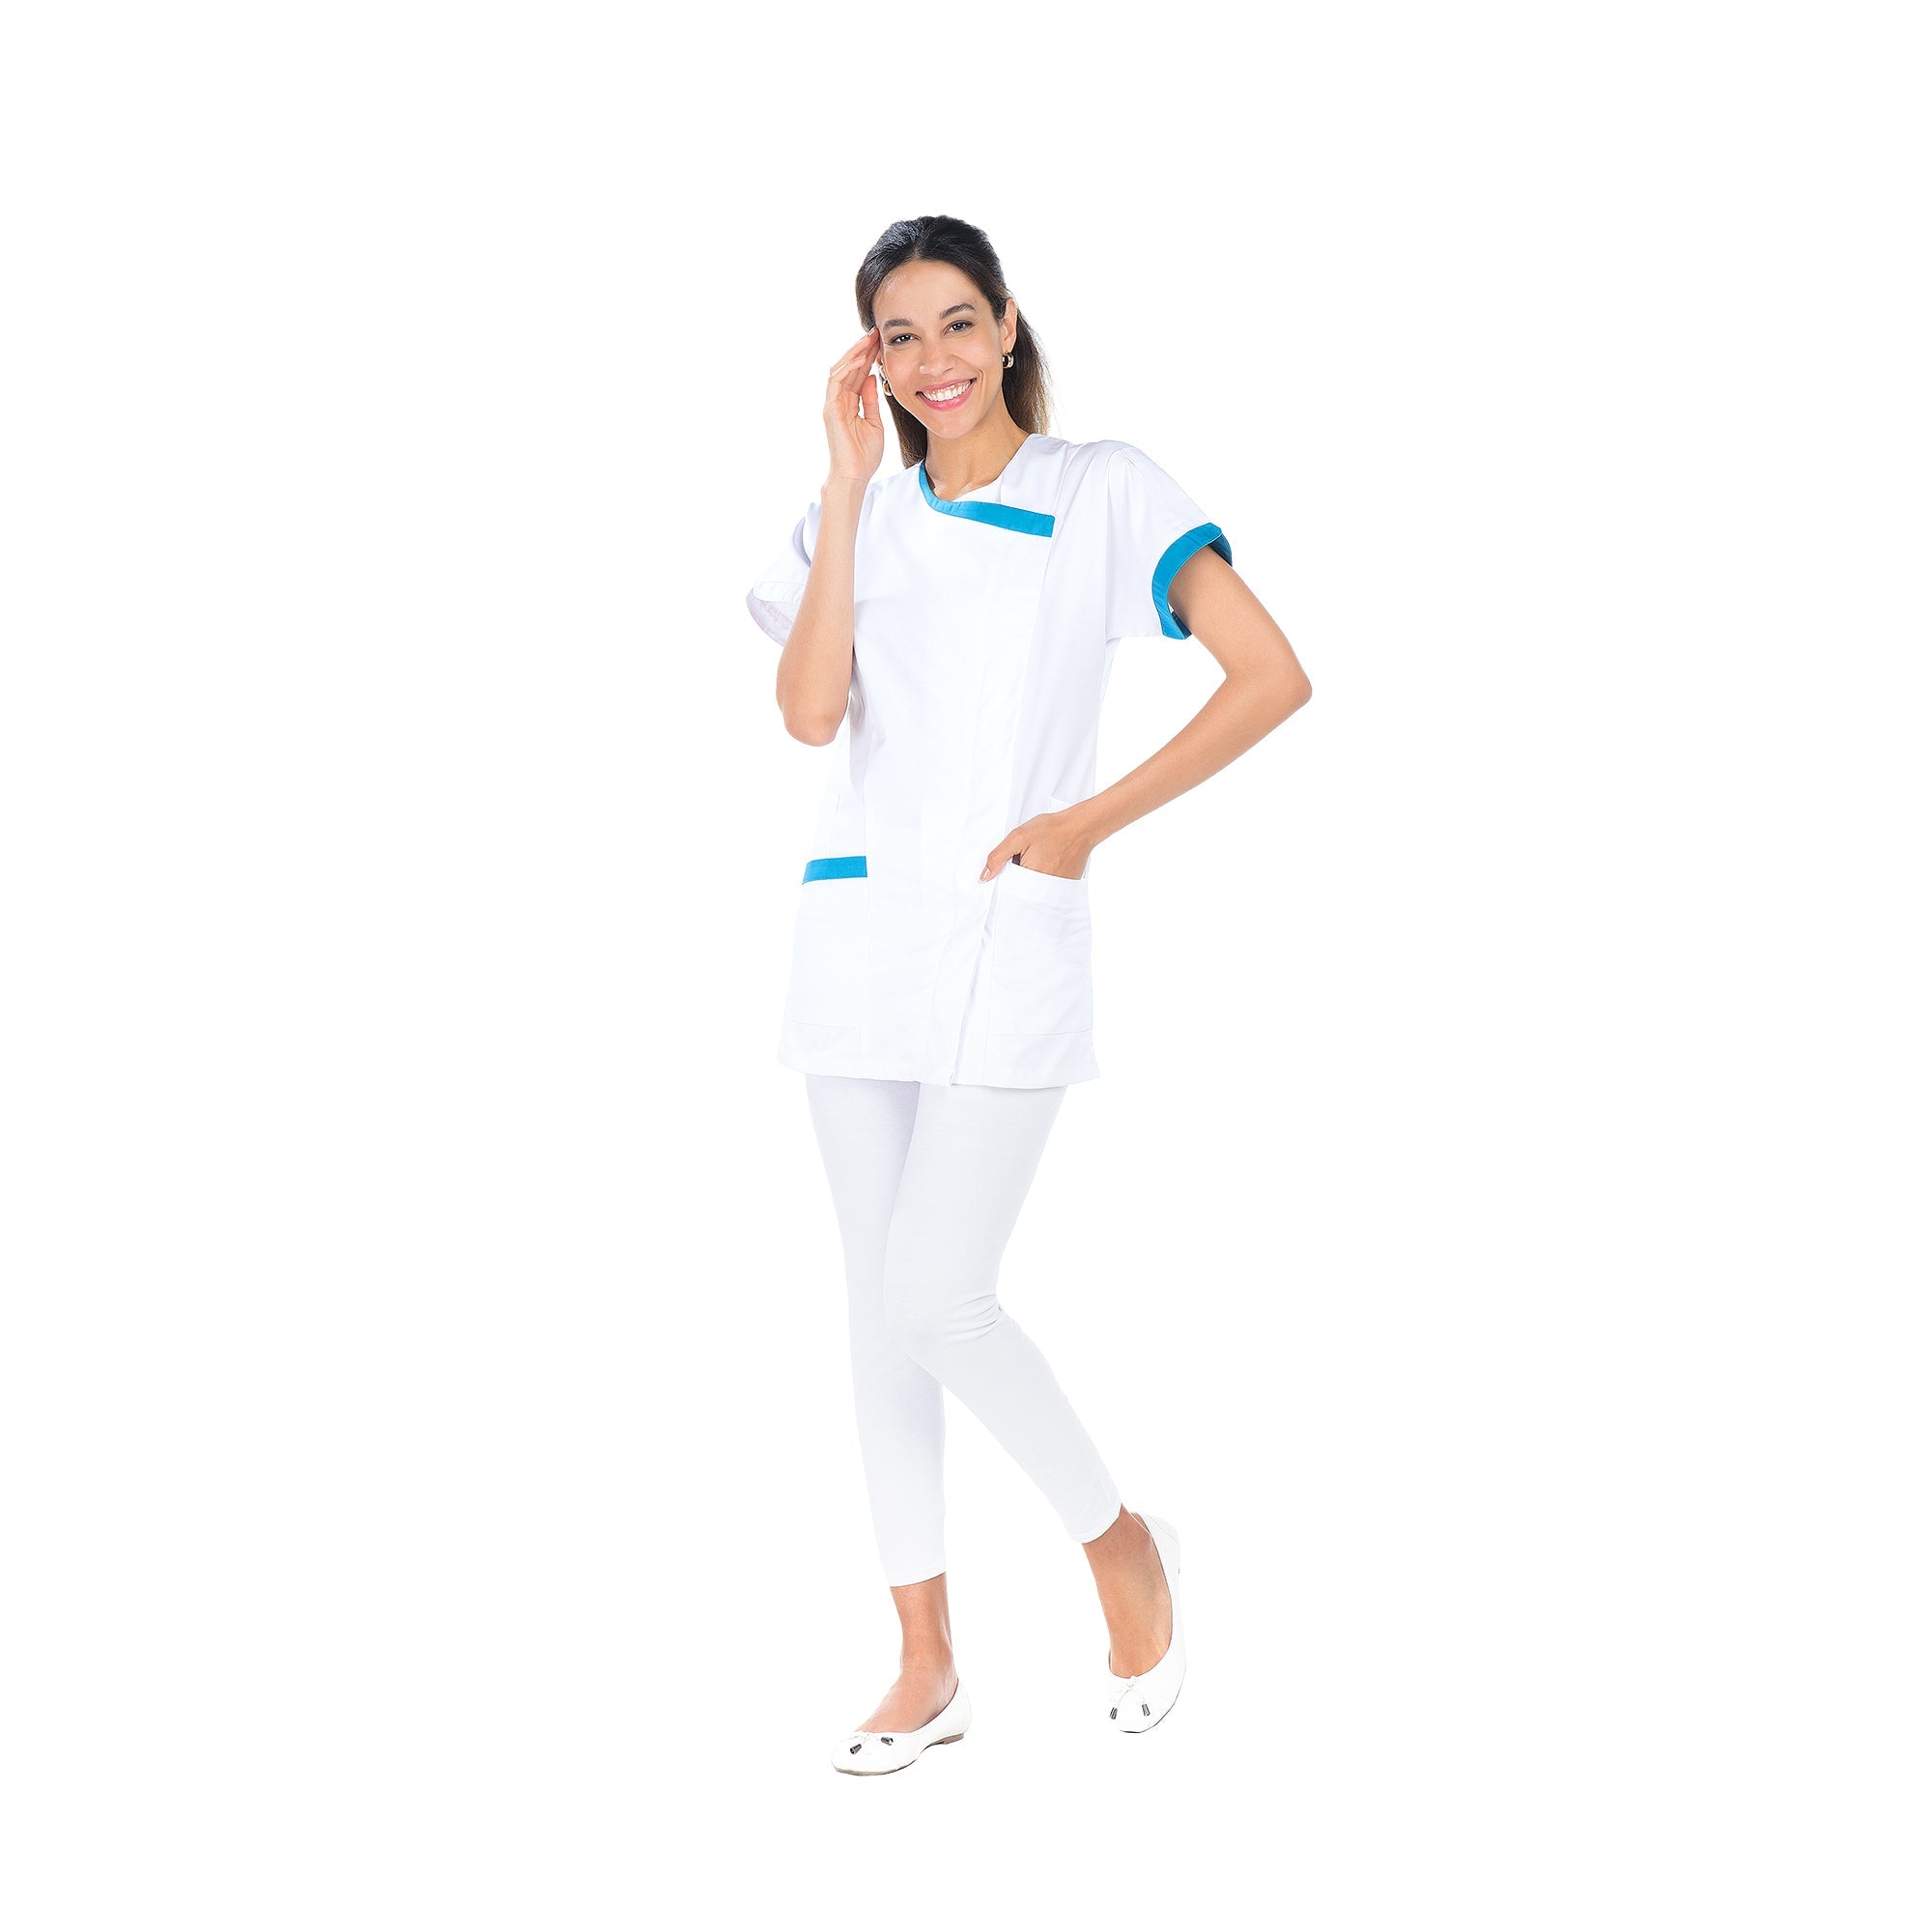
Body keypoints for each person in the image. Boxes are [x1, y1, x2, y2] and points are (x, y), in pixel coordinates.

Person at [745, 214, 1312, 1776]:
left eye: (956, 323)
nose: (932, 360)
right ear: (871, 360)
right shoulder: (853, 513)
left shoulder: (1100, 489)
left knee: (939, 1296)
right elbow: (808, 715)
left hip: (1010, 934)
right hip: (856, 943)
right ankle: (925, 1661)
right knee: (880, 1316)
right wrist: (846, 488)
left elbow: (1271, 674)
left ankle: (1120, 1547)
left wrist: (1084, 825)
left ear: (1006, 327)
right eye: (898, 335)